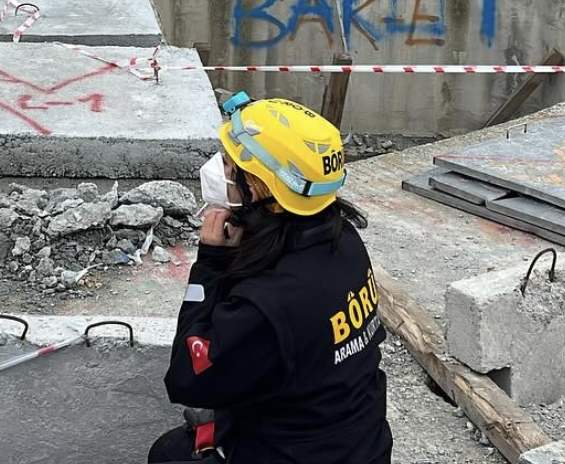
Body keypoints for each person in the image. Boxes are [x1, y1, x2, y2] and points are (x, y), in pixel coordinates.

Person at [151, 93, 391, 464]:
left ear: (262, 189)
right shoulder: (343, 241)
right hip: (357, 443)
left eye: (231, 166)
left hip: (296, 452)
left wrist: (211, 264)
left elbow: (186, 377)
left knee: (170, 455)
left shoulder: (267, 305)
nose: (222, 171)